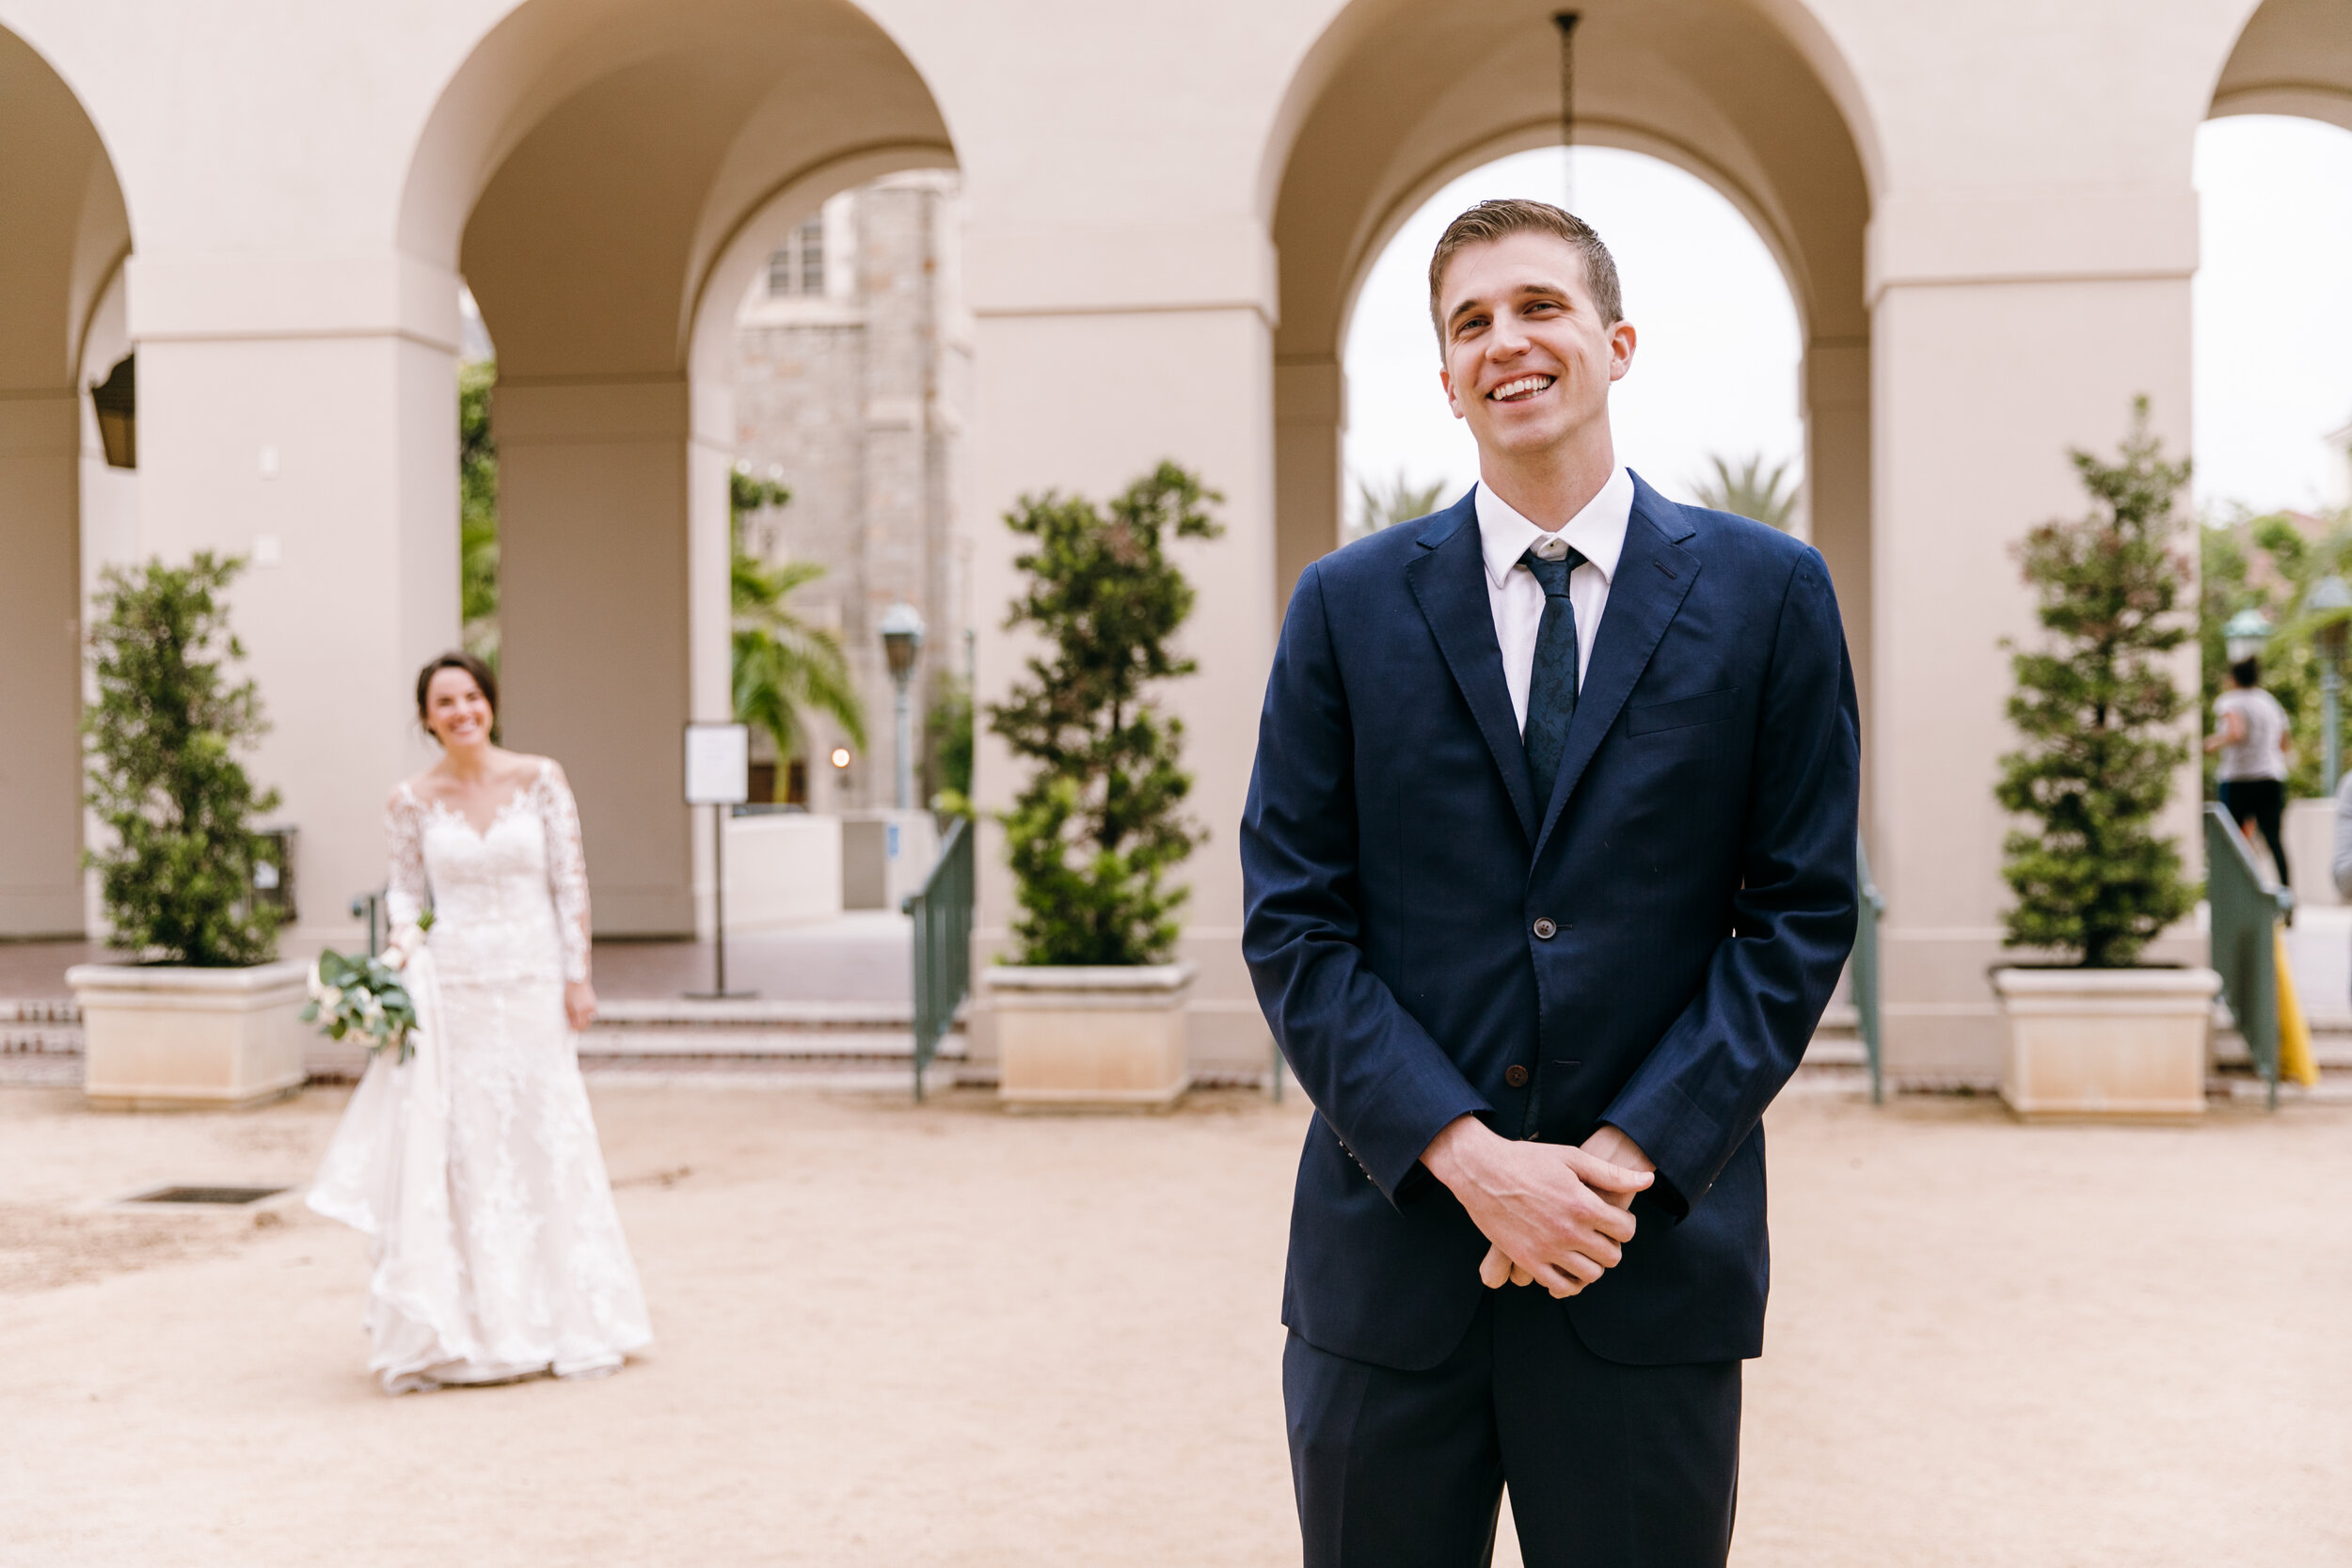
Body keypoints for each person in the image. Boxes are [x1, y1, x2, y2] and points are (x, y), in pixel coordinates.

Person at [1240, 199, 1859, 1566]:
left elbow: (1800, 913)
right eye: (1470, 323)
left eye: (1538, 307)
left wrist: (1616, 1165)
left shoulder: (1770, 596)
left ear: (1616, 341)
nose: (1504, 343)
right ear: (1446, 375)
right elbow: (1294, 919)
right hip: (1393, 1272)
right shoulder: (1343, 607)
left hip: (1642, 1267)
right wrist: (1470, 1160)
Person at [310, 651, 653, 1394]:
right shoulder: (410, 799)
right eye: (445, 701)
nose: (461, 710)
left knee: (541, 1131)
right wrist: (398, 957)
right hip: (455, 988)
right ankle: (469, 1321)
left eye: (471, 695)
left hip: (530, 984)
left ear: (490, 702)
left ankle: (566, 1316)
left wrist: (578, 974)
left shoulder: (541, 779)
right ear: (427, 717)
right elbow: (405, 894)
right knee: (465, 1145)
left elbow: (570, 880)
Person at [2208, 656, 2292, 892]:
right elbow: (2284, 743)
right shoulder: (2270, 702)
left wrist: (2213, 743)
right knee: (2274, 841)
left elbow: (2236, 732)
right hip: (2271, 777)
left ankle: (2232, 894)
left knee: (2231, 842)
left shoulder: (2230, 700)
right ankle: (2287, 897)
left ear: (2233, 678)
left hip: (2238, 779)